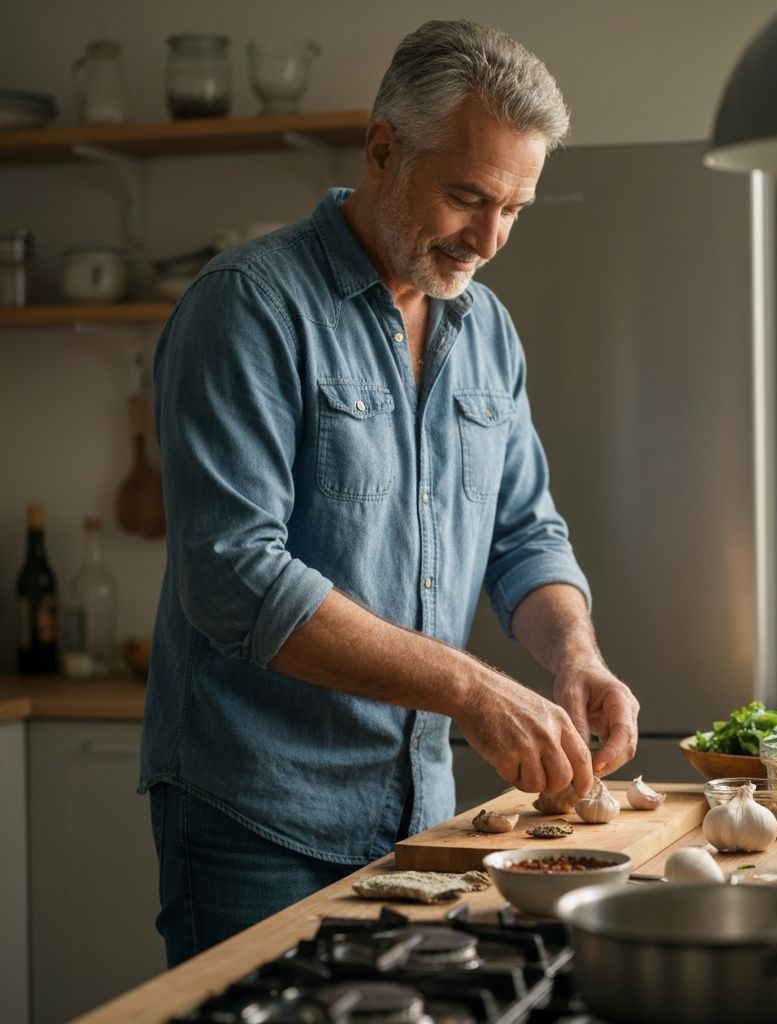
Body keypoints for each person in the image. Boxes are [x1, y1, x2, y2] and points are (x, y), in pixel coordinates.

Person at [139, 18, 640, 967]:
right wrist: (471, 688)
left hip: (423, 814)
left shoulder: (485, 327)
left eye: (516, 210)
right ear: (382, 151)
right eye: (467, 197)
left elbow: (524, 533)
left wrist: (576, 657)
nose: (490, 239)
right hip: (257, 819)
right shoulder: (245, 306)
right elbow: (233, 576)